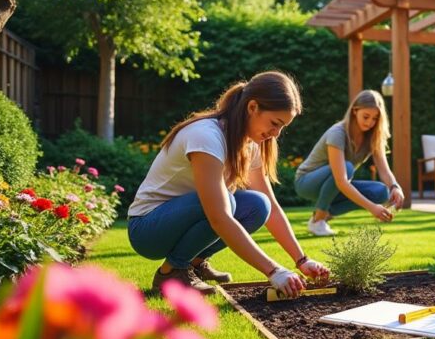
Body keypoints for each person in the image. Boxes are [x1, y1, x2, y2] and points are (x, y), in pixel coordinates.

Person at [127, 71, 330, 297]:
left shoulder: (249, 145)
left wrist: (302, 260)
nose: (276, 134)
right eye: (275, 123)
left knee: (258, 205)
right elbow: (219, 216)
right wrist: (274, 271)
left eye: (283, 127)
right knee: (227, 204)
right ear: (252, 107)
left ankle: (194, 263)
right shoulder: (206, 136)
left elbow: (271, 206)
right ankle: (171, 272)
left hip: (180, 220)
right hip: (148, 229)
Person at [294, 89, 404, 236]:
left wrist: (395, 187)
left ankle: (322, 217)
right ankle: (319, 219)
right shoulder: (337, 133)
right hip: (307, 182)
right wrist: (372, 208)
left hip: (336, 184)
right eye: (366, 116)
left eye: (375, 118)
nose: (370, 122)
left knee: (381, 192)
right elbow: (341, 180)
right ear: (354, 111)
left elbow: (384, 170)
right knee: (347, 167)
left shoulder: (373, 137)